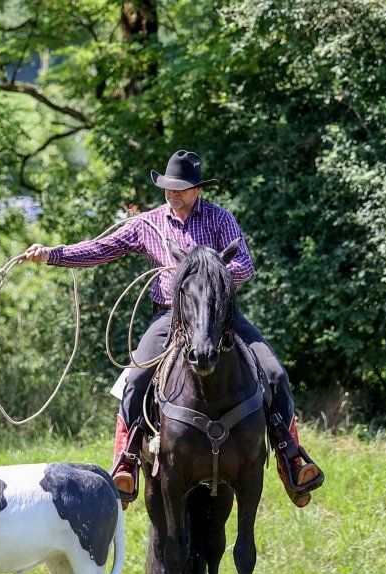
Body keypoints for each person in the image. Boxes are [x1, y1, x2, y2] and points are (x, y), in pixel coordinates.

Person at [22, 150, 324, 508]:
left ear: (197, 189)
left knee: (274, 373)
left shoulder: (219, 219)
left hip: (220, 315)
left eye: (180, 188)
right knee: (135, 379)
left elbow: (244, 265)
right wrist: (53, 255)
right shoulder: (147, 224)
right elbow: (100, 249)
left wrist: (209, 277)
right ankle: (127, 460)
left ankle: (290, 456)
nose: (172, 193)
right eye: (168, 187)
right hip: (169, 316)